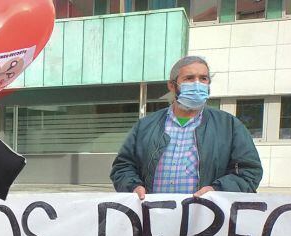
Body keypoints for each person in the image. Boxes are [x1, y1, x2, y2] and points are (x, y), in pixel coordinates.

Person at [111, 56, 262, 199]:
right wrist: (133, 187)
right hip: (154, 218)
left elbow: (249, 171)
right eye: (189, 78)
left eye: (203, 78)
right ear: (172, 85)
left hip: (207, 218)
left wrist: (217, 190)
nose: (197, 84)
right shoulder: (146, 126)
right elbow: (123, 166)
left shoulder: (229, 126)